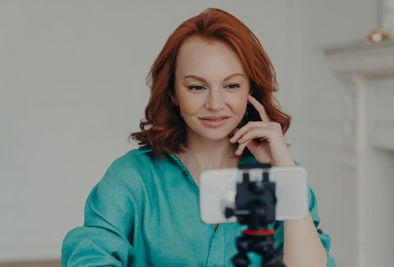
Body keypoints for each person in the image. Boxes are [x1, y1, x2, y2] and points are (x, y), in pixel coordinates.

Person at [62, 8, 335, 267]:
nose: (215, 104)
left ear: (250, 89)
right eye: (196, 86)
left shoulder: (283, 175)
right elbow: (90, 255)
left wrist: (284, 173)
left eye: (231, 85)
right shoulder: (132, 176)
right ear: (172, 93)